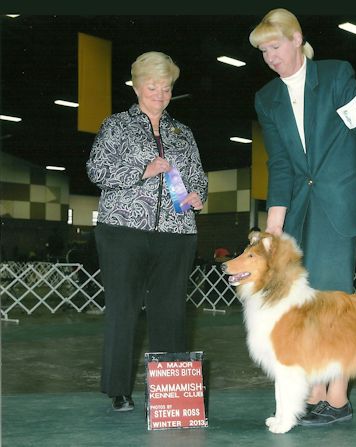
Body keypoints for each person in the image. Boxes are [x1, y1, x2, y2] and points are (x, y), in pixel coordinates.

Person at [249, 9, 356, 426]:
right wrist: (274, 222)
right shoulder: (266, 98)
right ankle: (312, 393)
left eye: (275, 47)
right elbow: (282, 164)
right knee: (302, 306)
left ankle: (338, 397)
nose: (270, 57)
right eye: (263, 51)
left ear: (296, 39)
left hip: (337, 205)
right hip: (297, 212)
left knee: (333, 305)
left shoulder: (336, 75)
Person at [86, 51, 208, 412]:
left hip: (177, 231)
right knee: (123, 309)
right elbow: (97, 170)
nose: (159, 93)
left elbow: (198, 175)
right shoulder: (115, 125)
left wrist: (199, 193)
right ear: (136, 86)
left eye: (166, 87)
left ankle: (171, 394)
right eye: (152, 86)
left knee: (170, 311)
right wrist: (143, 170)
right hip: (123, 231)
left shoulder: (182, 133)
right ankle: (118, 389)